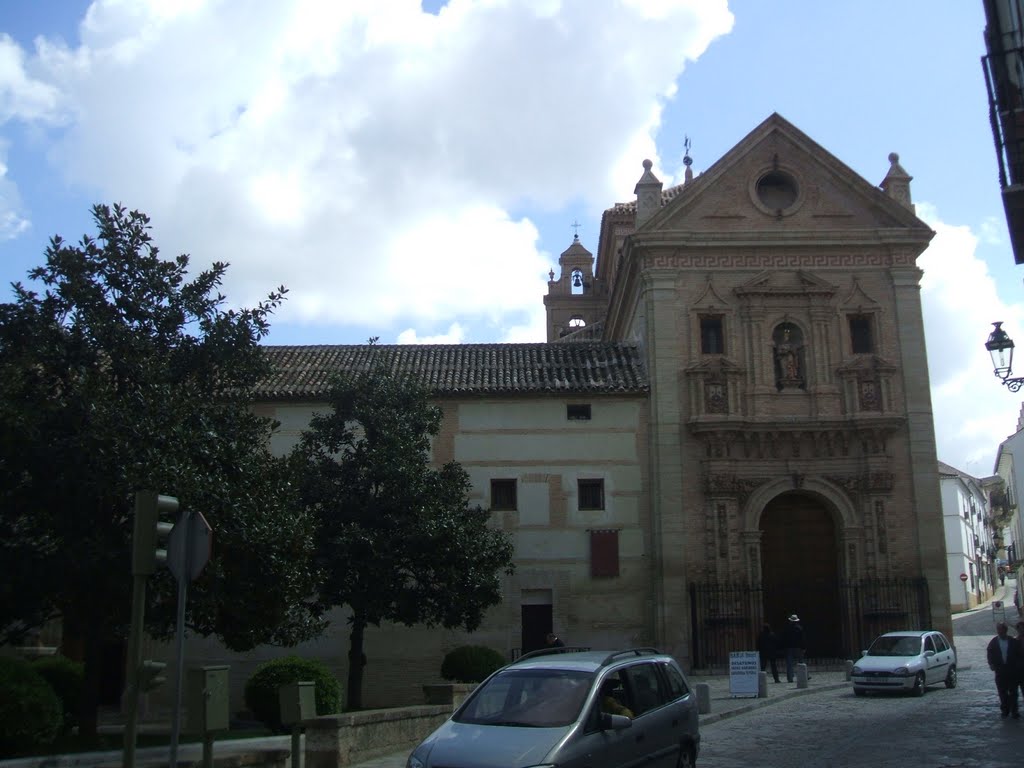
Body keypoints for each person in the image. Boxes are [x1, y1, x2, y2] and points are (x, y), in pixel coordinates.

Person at [986, 621, 1020, 719]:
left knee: (1013, 691)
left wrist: (1016, 666)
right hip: (1000, 671)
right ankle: (1005, 710)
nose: (1000, 631)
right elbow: (990, 654)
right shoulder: (994, 642)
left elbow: (1018, 655)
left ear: (1006, 630)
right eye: (999, 629)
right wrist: (991, 664)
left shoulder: (1013, 641)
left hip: (1012, 670)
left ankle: (1014, 710)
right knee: (1002, 691)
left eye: (1002, 629)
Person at [782, 614, 806, 683]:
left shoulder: (787, 629)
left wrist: (784, 647)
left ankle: (790, 678)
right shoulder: (800, 628)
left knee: (789, 664)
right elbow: (802, 639)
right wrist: (803, 648)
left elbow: (784, 639)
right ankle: (805, 675)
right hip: (798, 647)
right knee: (801, 662)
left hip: (789, 647)